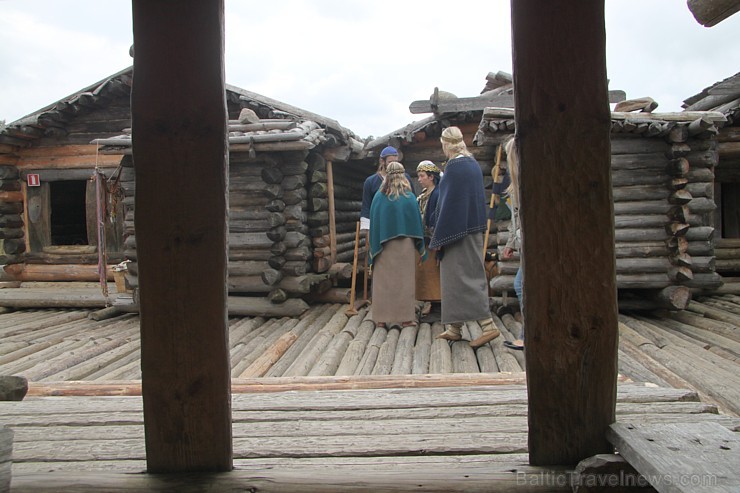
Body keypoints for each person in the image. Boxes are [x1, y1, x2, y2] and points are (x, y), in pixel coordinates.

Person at [430, 126, 500, 347]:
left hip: (457, 233)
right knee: (455, 278)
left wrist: (438, 238)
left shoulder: (454, 167)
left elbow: (447, 205)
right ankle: (455, 327)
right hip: (471, 229)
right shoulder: (471, 164)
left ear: (445, 143)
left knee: (465, 278)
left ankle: (488, 325)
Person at [369, 161, 427, 329]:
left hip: (383, 246)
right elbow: (417, 222)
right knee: (404, 280)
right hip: (405, 246)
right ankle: (405, 318)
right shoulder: (408, 197)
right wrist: (420, 247)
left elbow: (375, 224)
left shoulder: (379, 198)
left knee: (383, 281)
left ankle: (381, 318)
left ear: (387, 174)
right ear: (402, 175)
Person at [501, 135, 524, 350]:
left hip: (534, 246)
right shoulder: (516, 186)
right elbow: (515, 220)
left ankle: (529, 336)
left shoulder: (528, 184)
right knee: (522, 284)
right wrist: (510, 243)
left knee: (522, 285)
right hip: (524, 243)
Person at [415, 160, 442, 314]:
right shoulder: (424, 194)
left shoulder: (437, 194)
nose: (419, 179)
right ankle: (431, 302)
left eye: (422, 176)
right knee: (427, 273)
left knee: (434, 273)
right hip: (425, 239)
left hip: (433, 240)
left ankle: (437, 305)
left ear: (431, 177)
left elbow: (437, 219)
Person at [360, 146, 399, 232]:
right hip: (378, 226)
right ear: (382, 161)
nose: (393, 166)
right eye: (390, 162)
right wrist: (368, 230)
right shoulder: (371, 182)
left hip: (399, 225)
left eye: (396, 162)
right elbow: (366, 206)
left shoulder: (404, 180)